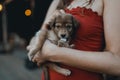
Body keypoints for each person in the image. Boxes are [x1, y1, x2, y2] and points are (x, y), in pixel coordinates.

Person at [27, 0, 120, 80]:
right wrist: (44, 29)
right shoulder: (58, 1)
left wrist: (53, 52)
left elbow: (117, 64)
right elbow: (38, 37)